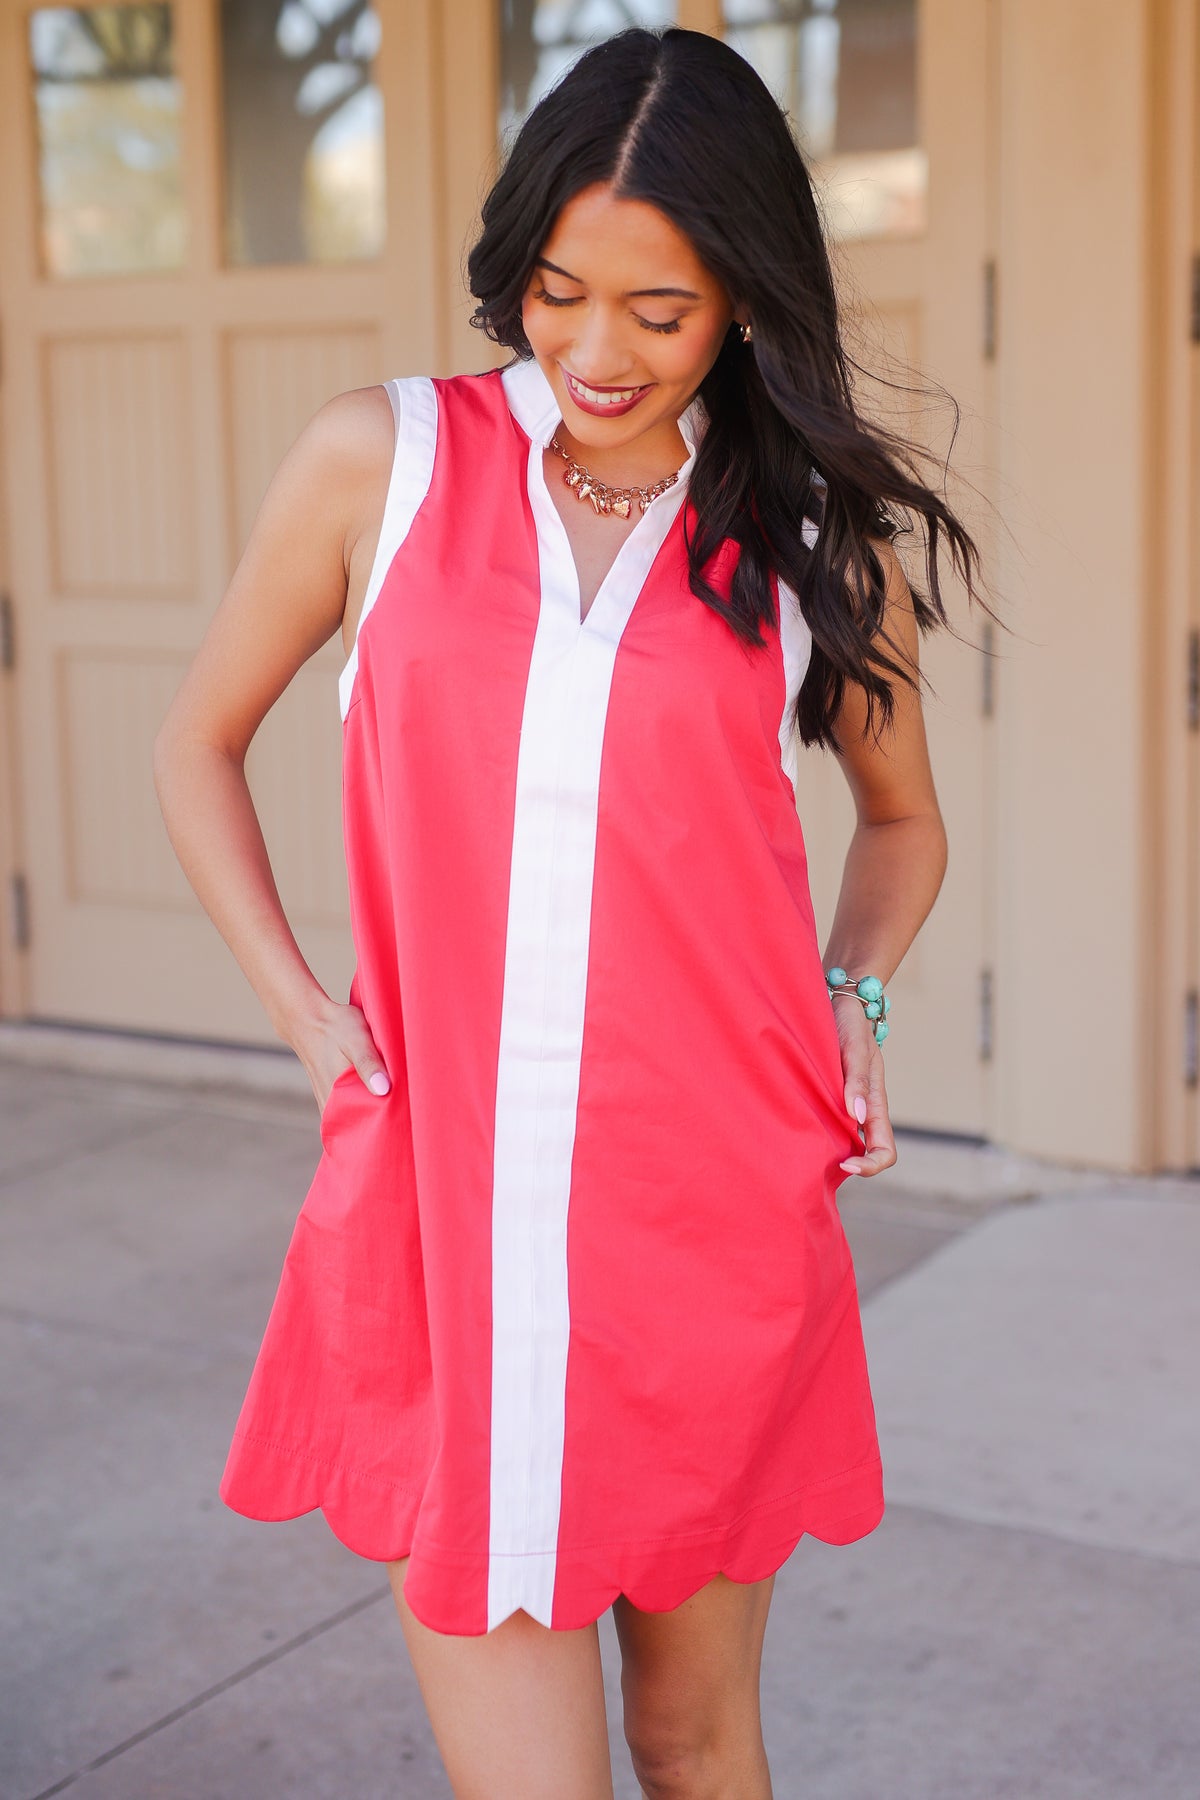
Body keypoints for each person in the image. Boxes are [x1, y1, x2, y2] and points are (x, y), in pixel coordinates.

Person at [154, 25, 991, 1800]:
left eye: (660, 312)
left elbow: (904, 824)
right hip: (444, 1222)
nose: (598, 351)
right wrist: (307, 1016)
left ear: (746, 302)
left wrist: (856, 998)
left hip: (711, 1221)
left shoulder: (813, 538)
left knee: (693, 1741)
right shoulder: (378, 463)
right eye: (557, 292)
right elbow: (196, 743)